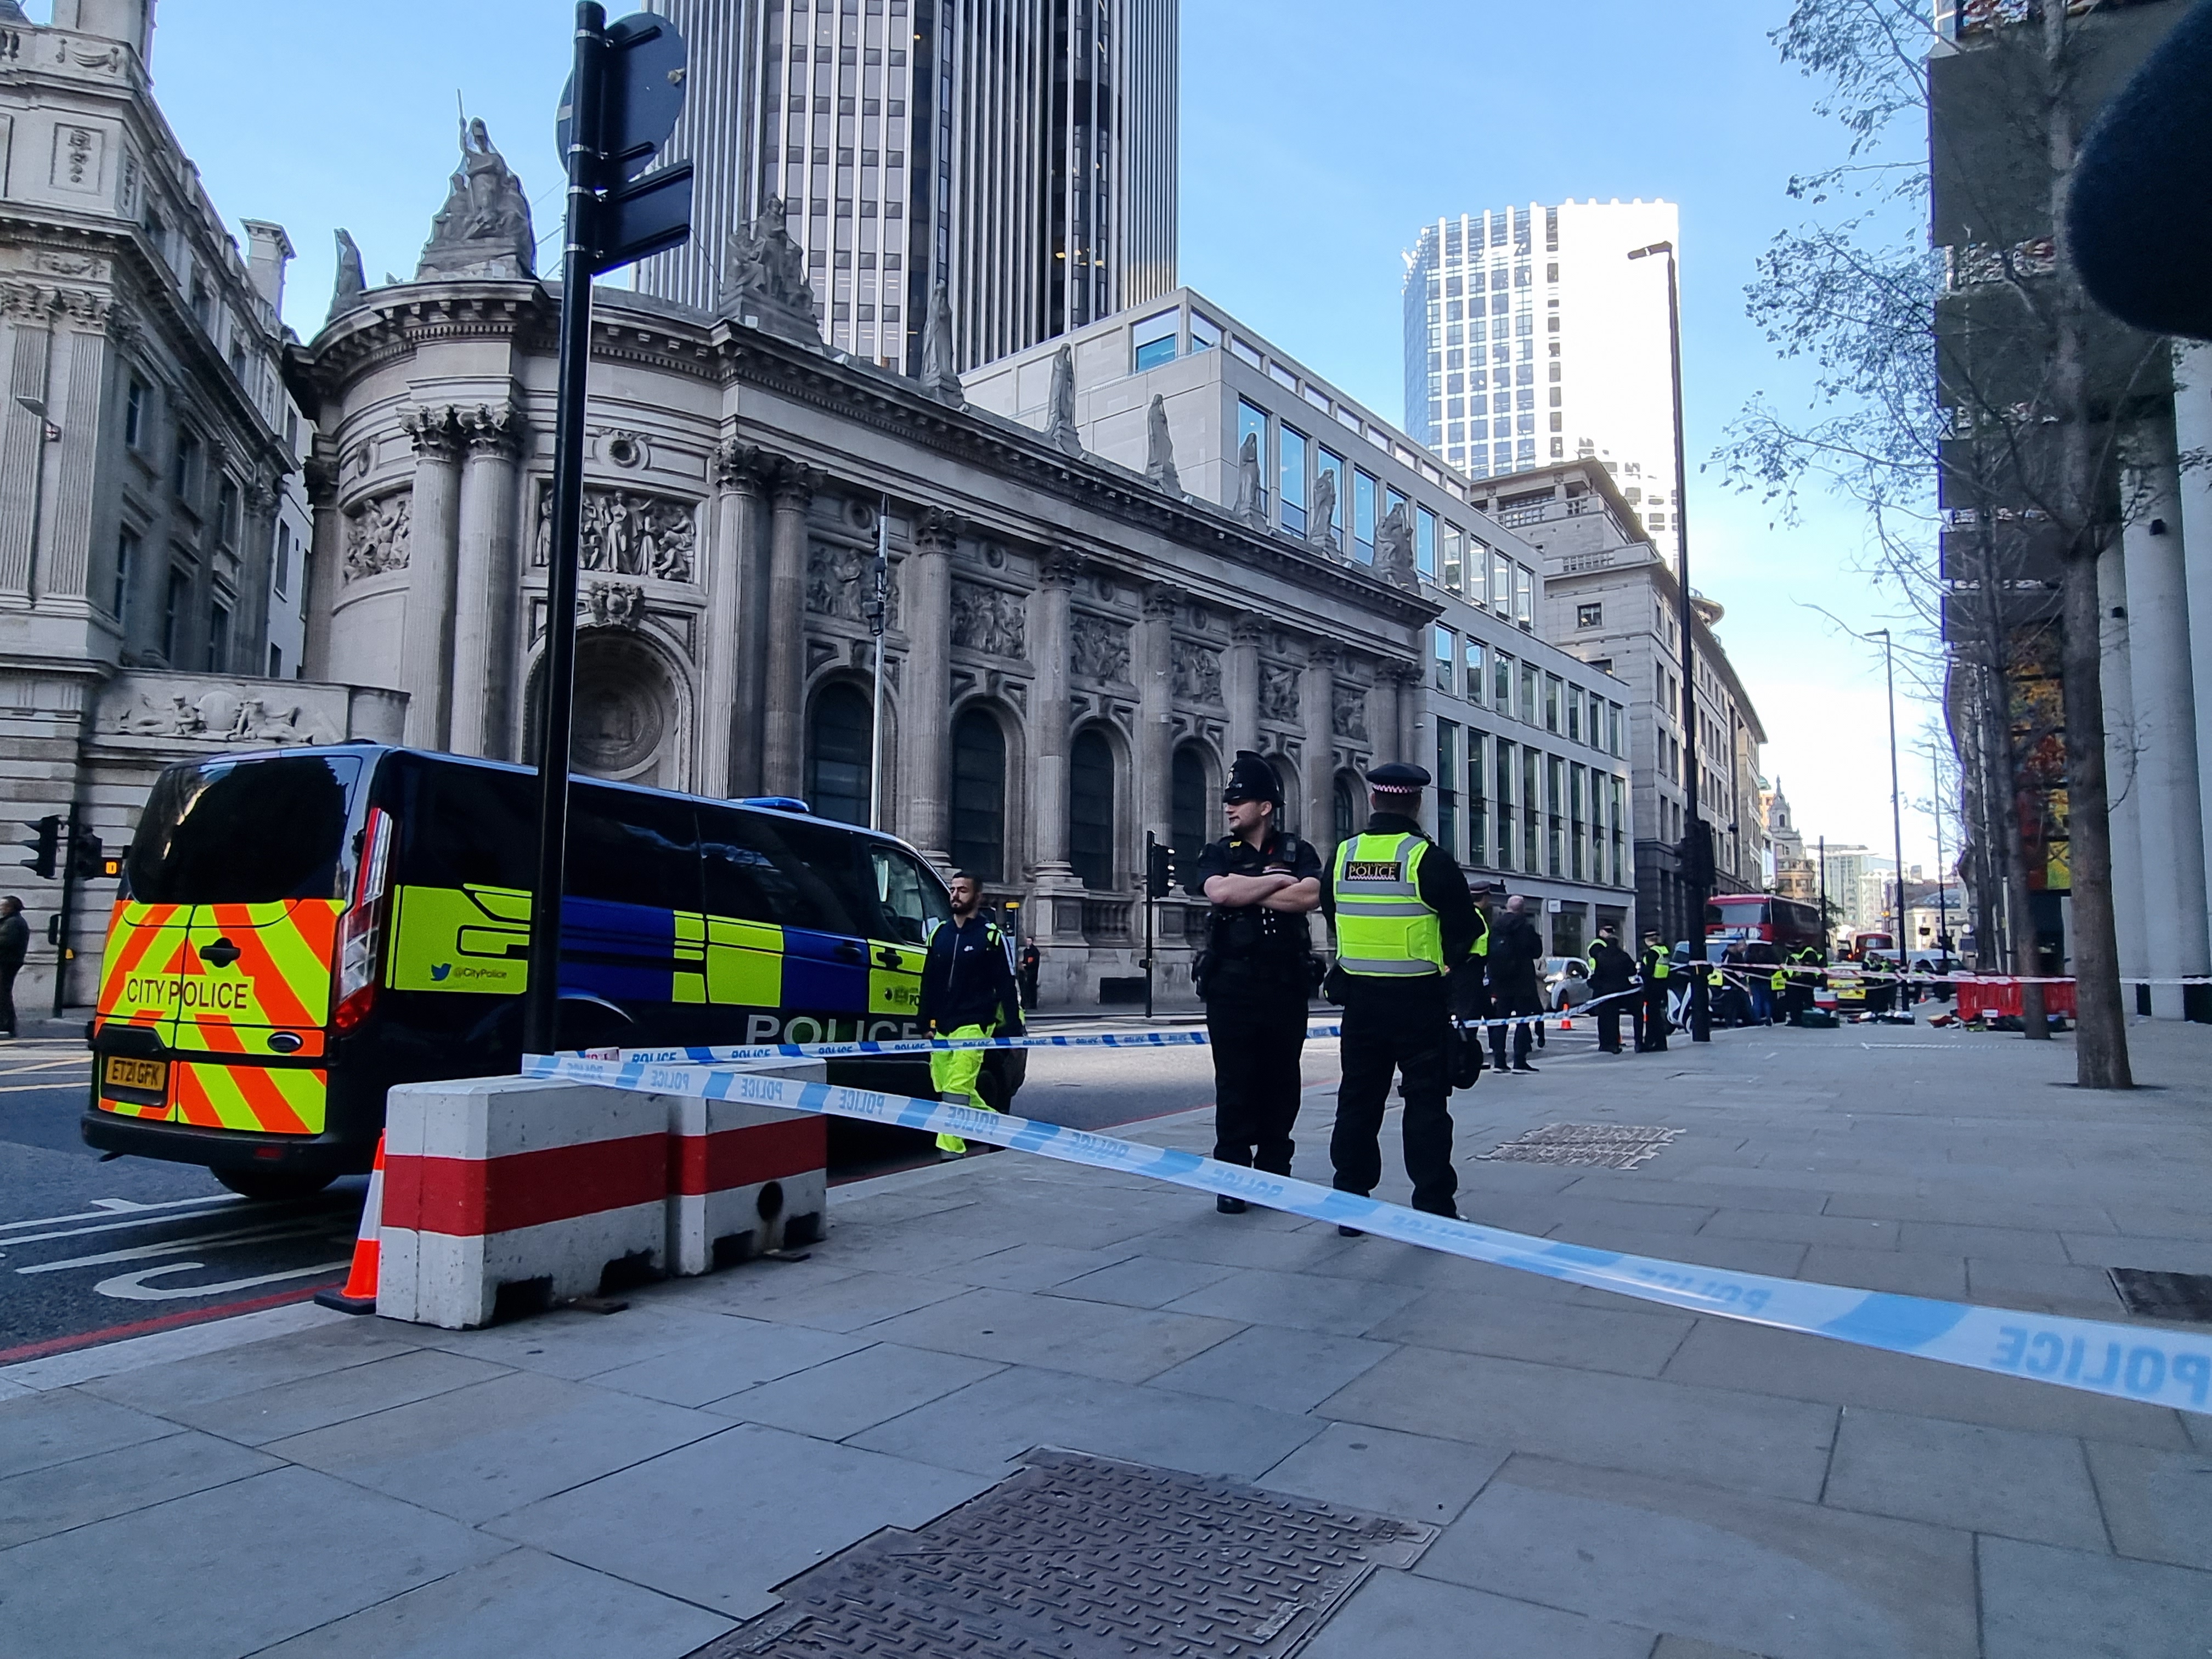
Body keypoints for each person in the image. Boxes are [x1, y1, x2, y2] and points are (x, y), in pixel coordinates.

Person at [1323, 763, 1483, 1232]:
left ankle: (1350, 1203)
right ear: (1416, 803)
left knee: (1357, 1101)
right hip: (1418, 1001)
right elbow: (1466, 929)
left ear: (1374, 801)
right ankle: (1433, 1204)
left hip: (1361, 1000)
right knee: (1426, 1104)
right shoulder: (1426, 858)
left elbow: (1334, 914)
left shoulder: (1342, 855)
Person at [1195, 751, 1323, 1214]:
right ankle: (1232, 1175)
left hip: (1285, 984)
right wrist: (1274, 883)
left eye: (1240, 801)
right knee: (1234, 1081)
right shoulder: (1218, 853)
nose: (1230, 809)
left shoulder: (1297, 851)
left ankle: (1274, 1169)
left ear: (1265, 806)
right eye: (1229, 802)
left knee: (1282, 1079)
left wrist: (1253, 886)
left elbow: (1311, 895)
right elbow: (1220, 892)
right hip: (1231, 984)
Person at [918, 872, 1022, 1156]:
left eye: (962, 890)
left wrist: (1013, 1031)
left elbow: (1005, 987)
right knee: (948, 1087)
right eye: (952, 890)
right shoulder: (939, 934)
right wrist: (924, 1022)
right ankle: (1000, 1126)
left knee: (955, 1088)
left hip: (974, 1025)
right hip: (943, 1025)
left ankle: (951, 1154)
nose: (955, 895)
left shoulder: (990, 937)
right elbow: (928, 981)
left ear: (977, 897)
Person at [1485, 895, 1544, 1074]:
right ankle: (1519, 1061)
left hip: (1501, 981)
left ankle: (1499, 1061)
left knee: (1500, 1021)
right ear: (1523, 909)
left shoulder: (1496, 926)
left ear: (1507, 907)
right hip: (1522, 981)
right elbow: (1536, 951)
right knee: (1522, 1021)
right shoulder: (1525, 927)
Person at [1586, 922, 1636, 1053]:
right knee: (1610, 1017)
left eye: (1611, 931)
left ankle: (1607, 1043)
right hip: (1609, 988)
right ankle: (1610, 1043)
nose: (1610, 933)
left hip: (1603, 987)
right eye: (1607, 930)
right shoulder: (1598, 947)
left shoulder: (1604, 953)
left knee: (1605, 1017)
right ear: (1600, 931)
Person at [1635, 927, 1673, 1052]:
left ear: (1647, 940)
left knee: (1653, 1017)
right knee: (1656, 1016)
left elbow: (1647, 971)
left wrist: (1640, 975)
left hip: (1653, 986)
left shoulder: (1652, 953)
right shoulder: (1664, 950)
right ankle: (1658, 1042)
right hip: (1662, 985)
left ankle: (1654, 1043)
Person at [0, 897, 25, 1039]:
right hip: (8, 962)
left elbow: (5, 941)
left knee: (3, 994)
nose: (1, 908)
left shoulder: (13, 923)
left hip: (6, 962)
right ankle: (6, 1024)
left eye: (4, 906)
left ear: (11, 908)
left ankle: (5, 1024)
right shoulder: (12, 921)